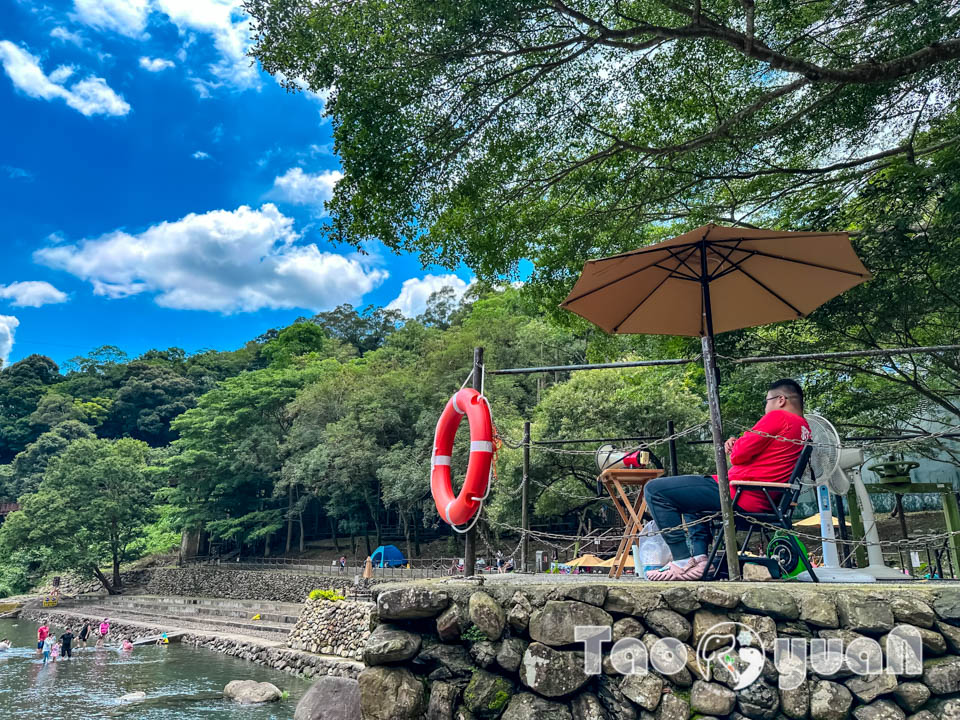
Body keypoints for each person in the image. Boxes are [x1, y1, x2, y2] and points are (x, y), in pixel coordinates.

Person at [643, 379, 811, 581]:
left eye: (767, 401)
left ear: (781, 400)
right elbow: (756, 453)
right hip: (763, 497)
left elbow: (738, 455)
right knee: (686, 498)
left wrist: (735, 445)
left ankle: (681, 560)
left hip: (740, 493)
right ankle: (699, 559)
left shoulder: (778, 417)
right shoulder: (805, 429)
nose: (766, 407)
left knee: (655, 490)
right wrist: (739, 444)